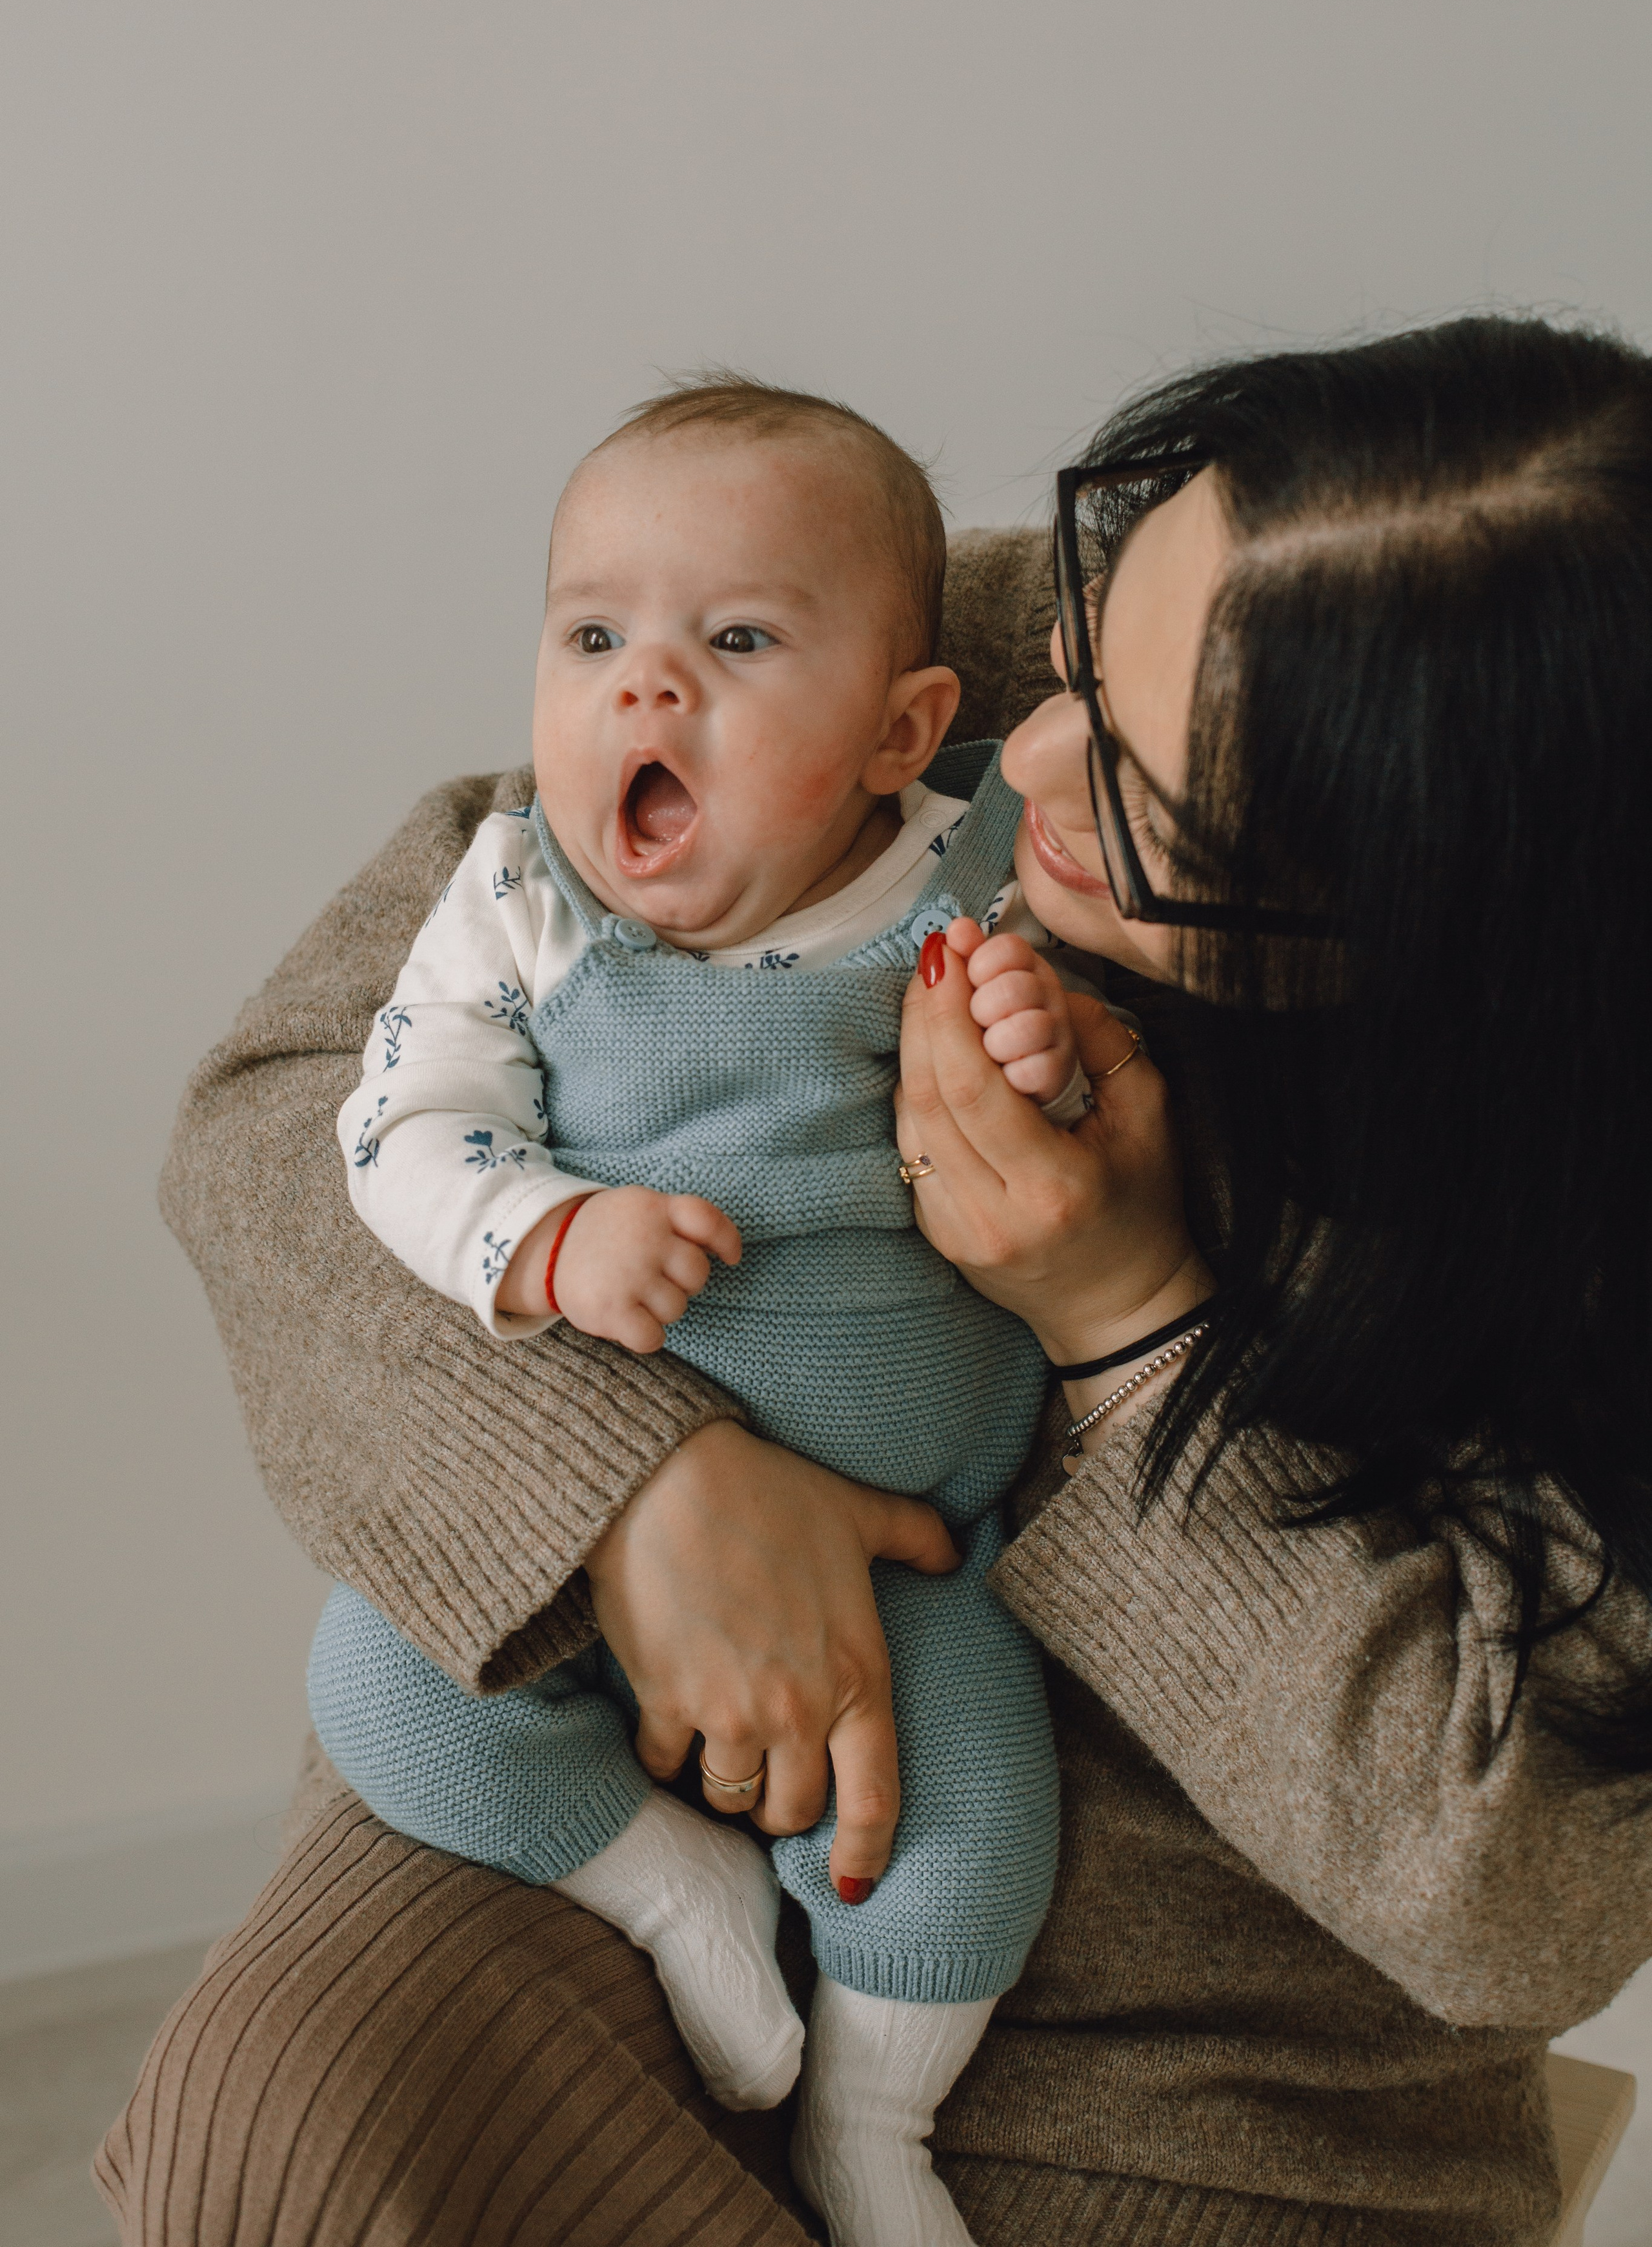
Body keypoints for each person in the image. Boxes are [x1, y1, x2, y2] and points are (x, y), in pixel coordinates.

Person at [100, 314, 1652, 2247]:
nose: (1040, 753)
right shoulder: (906, 653)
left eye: (1154, 808)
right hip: (613, 1787)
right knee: (281, 2138)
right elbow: (279, 1116)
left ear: (1450, 940)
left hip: (1209, 2064)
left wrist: (1126, 1321)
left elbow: (1522, 1886)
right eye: (1079, 657)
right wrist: (630, 1490)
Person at [307, 377, 1099, 2247]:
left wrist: (1039, 1055)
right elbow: (393, 1127)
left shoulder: (966, 883)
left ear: (903, 731)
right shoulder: (515, 900)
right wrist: (541, 1237)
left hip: (912, 1573)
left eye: (736, 641)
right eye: (596, 637)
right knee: (383, 1694)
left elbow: (1087, 1133)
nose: (644, 689)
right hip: (580, 1532)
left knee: (966, 1848)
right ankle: (669, 1894)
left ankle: (872, 2126)